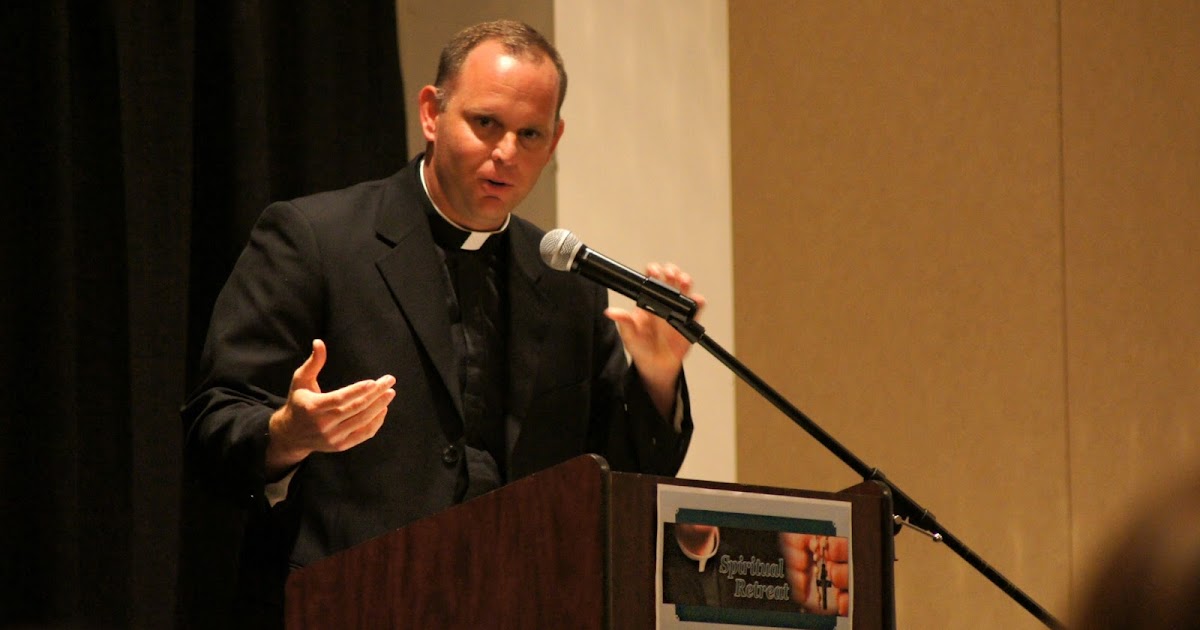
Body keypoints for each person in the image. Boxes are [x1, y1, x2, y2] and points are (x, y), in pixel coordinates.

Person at [181, 19, 705, 624]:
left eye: (530, 133)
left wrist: (659, 380)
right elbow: (212, 421)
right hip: (345, 603)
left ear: (555, 140)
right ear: (432, 113)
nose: (506, 152)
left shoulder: (567, 282)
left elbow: (624, 481)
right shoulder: (314, 240)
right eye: (486, 124)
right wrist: (286, 435)